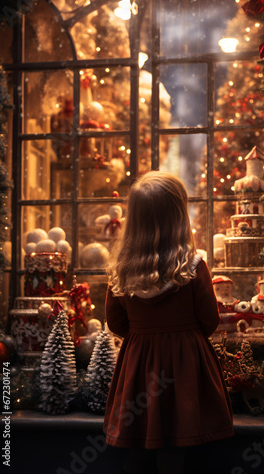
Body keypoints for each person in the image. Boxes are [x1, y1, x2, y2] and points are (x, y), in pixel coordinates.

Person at [103, 171, 234, 473]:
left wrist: (143, 335)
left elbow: (115, 323)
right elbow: (210, 320)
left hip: (139, 363)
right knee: (178, 441)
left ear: (134, 219)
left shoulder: (121, 269)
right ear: (179, 216)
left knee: (139, 443)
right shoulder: (194, 266)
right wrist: (184, 336)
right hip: (186, 364)